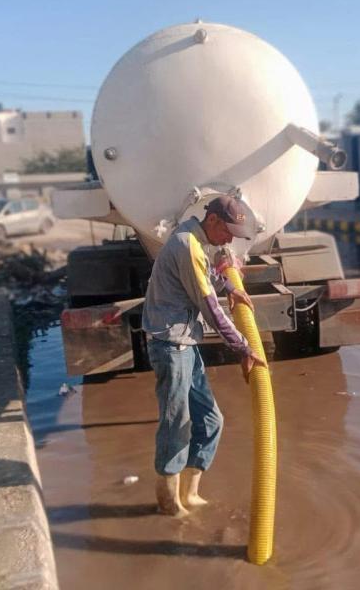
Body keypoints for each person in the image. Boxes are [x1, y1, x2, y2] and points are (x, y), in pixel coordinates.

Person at [142, 195, 267, 516]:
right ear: (212, 221)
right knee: (177, 424)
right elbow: (209, 308)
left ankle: (191, 493)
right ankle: (169, 503)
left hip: (185, 341)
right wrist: (243, 347)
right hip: (170, 345)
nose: (229, 240)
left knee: (212, 421)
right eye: (228, 232)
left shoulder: (192, 239)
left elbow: (204, 274)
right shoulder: (186, 245)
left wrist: (230, 286)